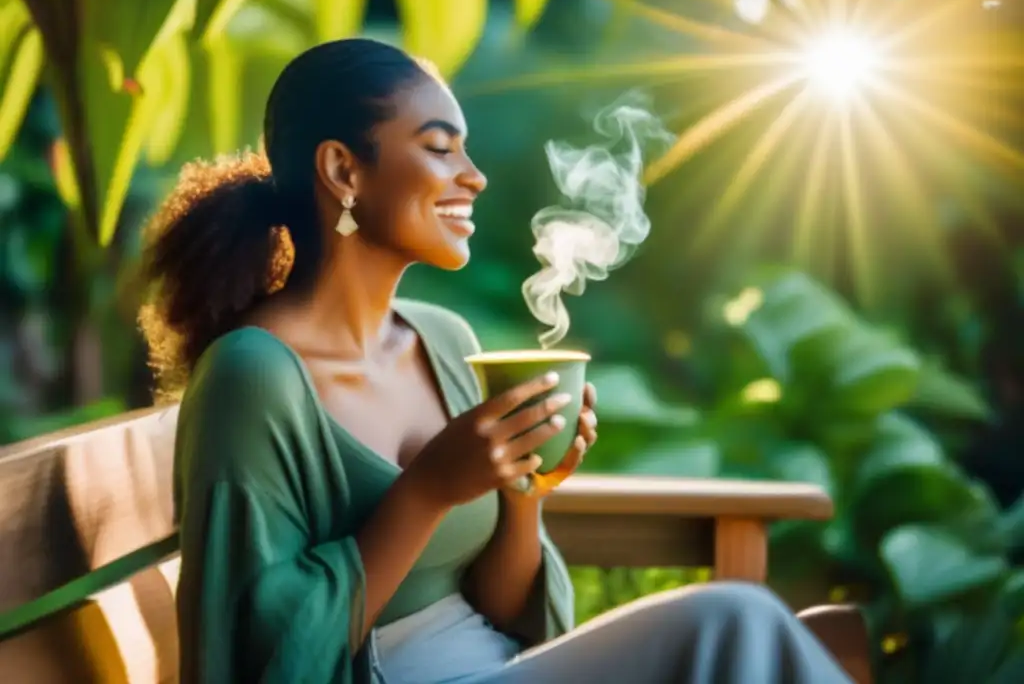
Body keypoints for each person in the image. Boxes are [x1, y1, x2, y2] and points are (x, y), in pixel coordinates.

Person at [139, 37, 853, 684]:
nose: (473, 177)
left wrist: (522, 491)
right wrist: (427, 492)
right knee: (737, 625)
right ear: (342, 169)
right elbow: (263, 655)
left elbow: (505, 606)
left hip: (503, 664)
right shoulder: (252, 376)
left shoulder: (446, 342)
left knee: (773, 637)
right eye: (440, 148)